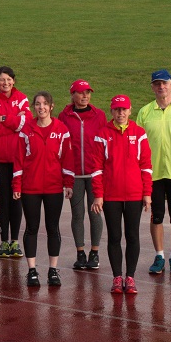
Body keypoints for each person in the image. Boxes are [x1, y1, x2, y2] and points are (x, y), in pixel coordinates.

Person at [90, 95, 152, 295]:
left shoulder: (139, 133)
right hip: (111, 196)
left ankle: (130, 277)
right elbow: (97, 168)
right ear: (112, 111)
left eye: (124, 109)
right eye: (117, 110)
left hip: (134, 195)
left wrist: (147, 193)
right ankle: (118, 277)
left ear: (130, 110)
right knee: (115, 237)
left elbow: (146, 166)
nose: (120, 113)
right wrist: (98, 195)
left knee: (132, 236)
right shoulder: (102, 134)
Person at [13, 91, 74, 287]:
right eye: (37, 104)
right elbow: (19, 160)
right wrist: (17, 184)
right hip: (30, 187)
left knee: (52, 228)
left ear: (51, 106)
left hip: (54, 187)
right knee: (31, 228)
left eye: (45, 104)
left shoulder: (62, 129)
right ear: (34, 107)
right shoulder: (26, 130)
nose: (41, 107)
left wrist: (68, 183)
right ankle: (32, 270)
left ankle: (53, 270)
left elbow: (67, 159)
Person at [135, 69, 171, 275]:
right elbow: (138, 146)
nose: (161, 87)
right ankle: (159, 255)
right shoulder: (144, 112)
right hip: (153, 172)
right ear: (152, 87)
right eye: (157, 84)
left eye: (164, 83)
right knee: (156, 215)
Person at [58, 79, 107, 271]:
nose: (85, 96)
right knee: (77, 214)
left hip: (95, 174)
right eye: (80, 93)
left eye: (88, 92)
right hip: (75, 175)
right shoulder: (64, 116)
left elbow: (105, 143)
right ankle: (80, 252)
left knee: (95, 213)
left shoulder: (99, 115)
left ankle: (94, 252)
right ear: (72, 95)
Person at [0, 66, 30, 258]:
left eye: (9, 79)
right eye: (2, 80)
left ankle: (15, 242)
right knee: (2, 201)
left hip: (18, 159)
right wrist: (13, 123)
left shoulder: (23, 98)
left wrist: (3, 119)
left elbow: (25, 123)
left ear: (14, 81)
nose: (6, 83)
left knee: (16, 200)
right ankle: (4, 241)